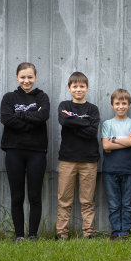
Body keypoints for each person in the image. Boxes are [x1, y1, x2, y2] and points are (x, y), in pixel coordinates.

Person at [0, 62, 50, 242]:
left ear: (35, 78)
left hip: (37, 151)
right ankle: (19, 235)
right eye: (23, 77)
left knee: (35, 195)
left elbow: (43, 116)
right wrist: (31, 119)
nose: (26, 81)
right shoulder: (9, 98)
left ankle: (33, 235)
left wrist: (19, 116)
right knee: (17, 195)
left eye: (30, 77)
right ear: (17, 77)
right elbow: (6, 119)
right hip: (14, 151)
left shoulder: (42, 97)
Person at [56, 72, 100, 240]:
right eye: (75, 86)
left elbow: (92, 132)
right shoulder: (64, 105)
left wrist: (73, 122)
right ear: (69, 88)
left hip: (88, 160)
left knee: (87, 200)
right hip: (67, 159)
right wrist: (83, 123)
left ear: (87, 88)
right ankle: (61, 233)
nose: (78, 89)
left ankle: (88, 233)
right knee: (64, 200)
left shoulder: (92, 109)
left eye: (82, 86)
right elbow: (64, 121)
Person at [101, 88, 131, 240]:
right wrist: (125, 142)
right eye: (117, 103)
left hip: (129, 169)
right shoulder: (107, 124)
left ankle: (126, 231)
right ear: (112, 105)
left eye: (124, 103)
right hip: (110, 169)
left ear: (129, 105)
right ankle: (115, 231)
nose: (120, 106)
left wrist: (114, 140)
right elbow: (105, 146)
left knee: (127, 203)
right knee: (114, 204)